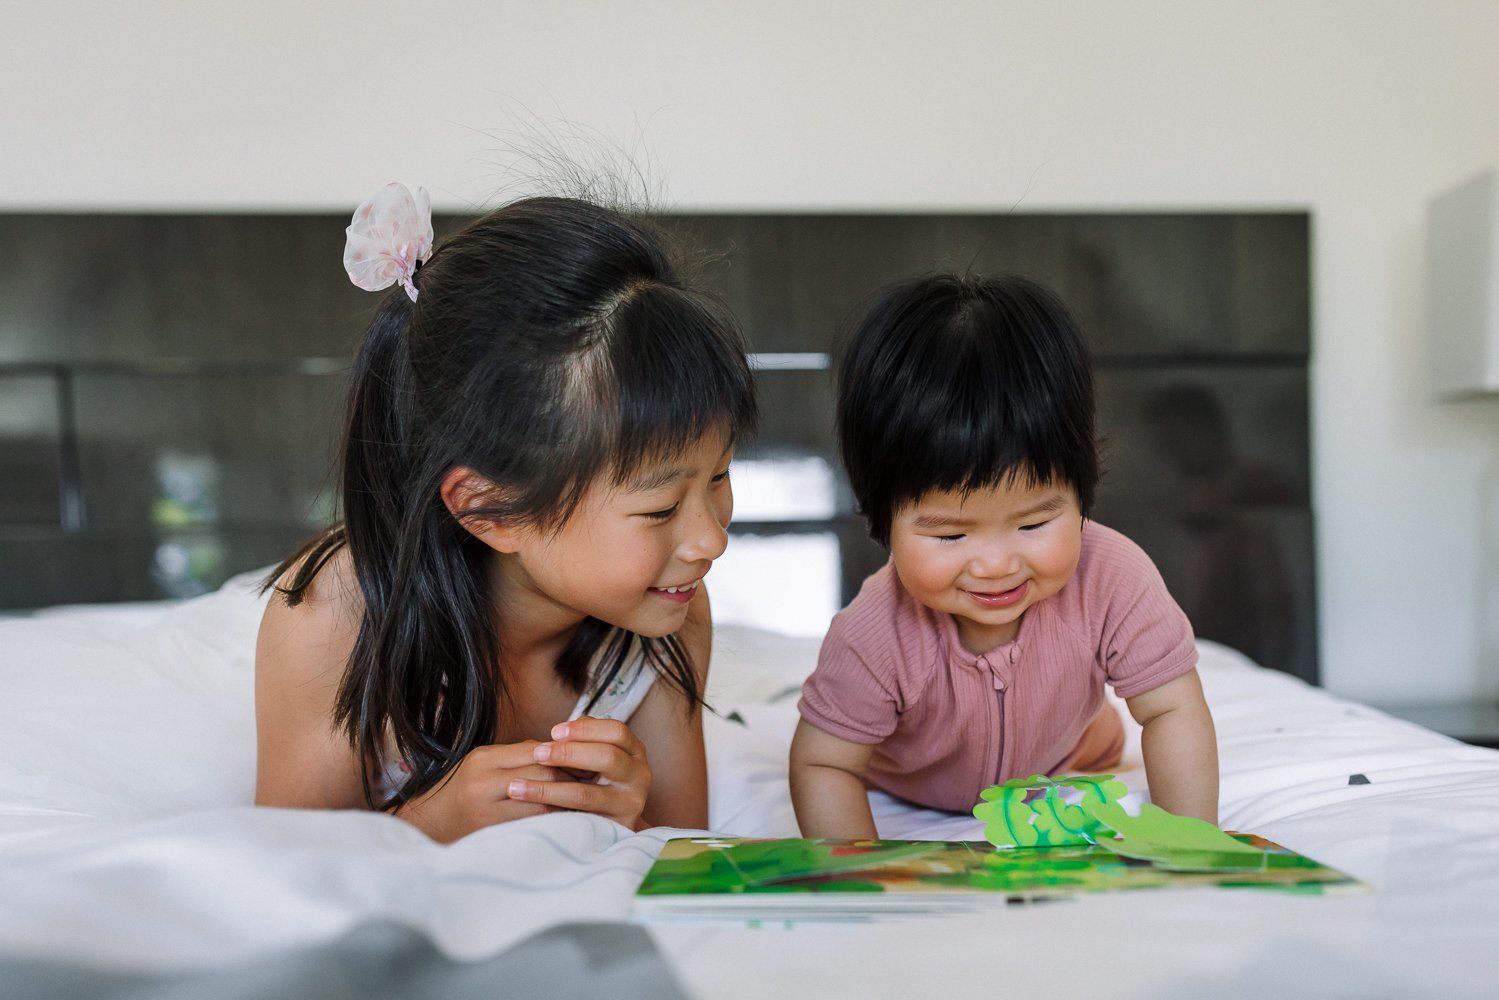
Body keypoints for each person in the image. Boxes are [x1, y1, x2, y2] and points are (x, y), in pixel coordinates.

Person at [254, 183, 756, 843]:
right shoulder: (333, 618)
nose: (709, 541)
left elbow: (681, 847)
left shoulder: (669, 610)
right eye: (660, 508)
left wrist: (630, 818)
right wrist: (434, 821)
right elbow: (284, 870)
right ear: (490, 510)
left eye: (719, 475)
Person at [789, 272, 1218, 839]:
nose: (995, 565)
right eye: (950, 536)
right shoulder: (875, 633)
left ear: (1081, 491)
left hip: (1075, 757)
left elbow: (1172, 708)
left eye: (1035, 522)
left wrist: (1192, 844)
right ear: (882, 518)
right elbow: (822, 763)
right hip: (912, 786)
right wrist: (860, 874)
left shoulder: (1112, 577)